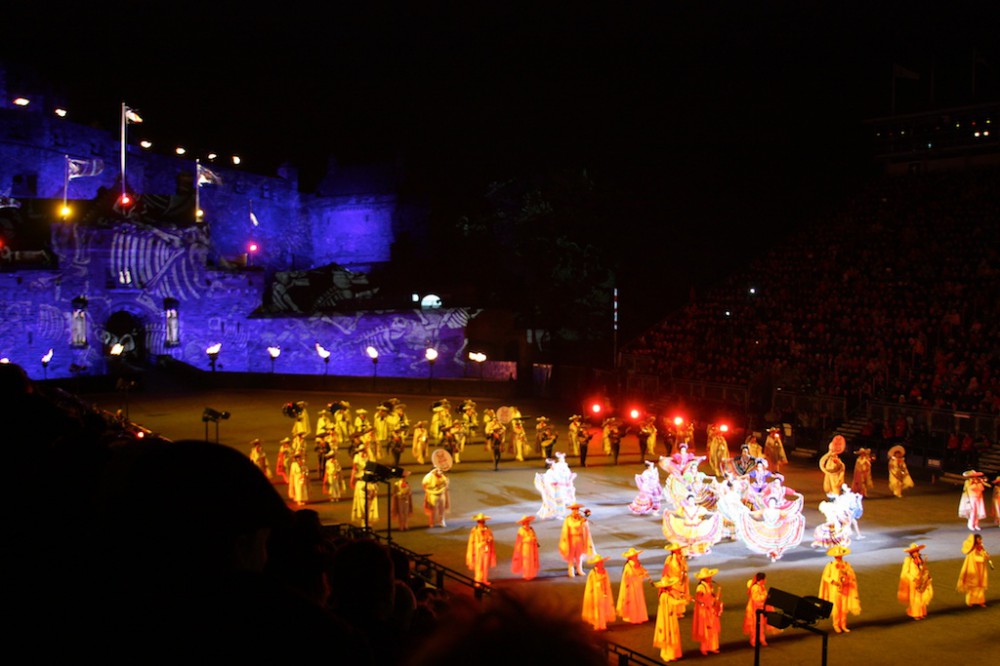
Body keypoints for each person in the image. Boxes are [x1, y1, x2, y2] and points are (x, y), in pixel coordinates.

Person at [819, 545, 860, 633]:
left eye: (839, 555)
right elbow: (825, 577)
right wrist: (833, 581)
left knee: (844, 608)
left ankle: (843, 624)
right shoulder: (830, 565)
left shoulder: (846, 565)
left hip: (845, 589)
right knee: (837, 607)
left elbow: (852, 575)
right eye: (837, 555)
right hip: (835, 589)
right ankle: (836, 624)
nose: (838, 557)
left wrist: (847, 578)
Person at [652, 576, 687, 662]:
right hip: (667, 618)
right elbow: (674, 602)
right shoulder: (665, 596)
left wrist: (681, 595)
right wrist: (684, 600)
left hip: (670, 616)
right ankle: (668, 654)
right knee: (669, 634)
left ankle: (671, 653)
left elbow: (675, 596)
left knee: (671, 633)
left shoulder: (667, 593)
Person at [898, 543, 933, 620]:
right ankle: (915, 613)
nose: (916, 553)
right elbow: (905, 572)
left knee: (921, 596)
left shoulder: (920, 559)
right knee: (915, 597)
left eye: (917, 551)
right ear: (911, 553)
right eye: (915, 552)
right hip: (913, 581)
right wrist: (913, 579)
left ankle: (922, 612)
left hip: (920, 579)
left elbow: (924, 568)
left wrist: (927, 575)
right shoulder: (908, 560)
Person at [692, 567, 722, 655]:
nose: (711, 578)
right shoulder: (701, 587)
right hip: (705, 610)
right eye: (709, 577)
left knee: (713, 628)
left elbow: (711, 596)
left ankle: (712, 647)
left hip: (711, 609)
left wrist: (715, 599)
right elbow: (699, 597)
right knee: (706, 629)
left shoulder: (709, 586)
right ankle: (704, 648)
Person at [559, 503, 595, 577]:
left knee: (579, 555)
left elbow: (585, 526)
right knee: (571, 555)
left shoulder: (581, 517)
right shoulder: (568, 518)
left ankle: (579, 569)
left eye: (577, 510)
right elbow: (572, 525)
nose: (576, 511)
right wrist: (581, 522)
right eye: (574, 510)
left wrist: (585, 519)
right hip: (572, 538)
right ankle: (571, 570)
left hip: (580, 538)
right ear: (572, 510)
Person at [616, 548, 650, 624]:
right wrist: (640, 575)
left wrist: (644, 573)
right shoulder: (628, 566)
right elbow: (628, 576)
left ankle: (639, 616)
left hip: (637, 585)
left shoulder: (637, 563)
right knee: (632, 599)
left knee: (638, 599)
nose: (637, 556)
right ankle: (632, 616)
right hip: (631, 585)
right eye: (635, 555)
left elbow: (642, 571)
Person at [956, 533, 992, 607]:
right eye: (979, 539)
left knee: (980, 584)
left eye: (981, 539)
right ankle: (970, 601)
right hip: (973, 568)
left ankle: (980, 601)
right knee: (973, 584)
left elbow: (983, 553)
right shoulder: (972, 549)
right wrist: (983, 558)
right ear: (976, 540)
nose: (981, 540)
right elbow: (975, 558)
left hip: (980, 568)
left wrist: (986, 555)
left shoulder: (981, 547)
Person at [581, 554, 615, 631]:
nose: (601, 564)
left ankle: (603, 624)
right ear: (596, 564)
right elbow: (590, 584)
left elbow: (607, 581)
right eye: (600, 563)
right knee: (597, 607)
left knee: (603, 607)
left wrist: (605, 589)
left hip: (603, 592)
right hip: (596, 592)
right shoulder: (593, 573)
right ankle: (597, 624)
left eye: (602, 562)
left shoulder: (604, 571)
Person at [466, 513, 496, 585]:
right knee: (478, 565)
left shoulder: (487, 529)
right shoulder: (474, 530)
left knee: (485, 565)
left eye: (482, 521)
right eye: (480, 521)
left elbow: (491, 538)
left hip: (486, 549)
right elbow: (471, 541)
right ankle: (478, 580)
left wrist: (488, 540)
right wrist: (474, 548)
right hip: (478, 549)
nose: (481, 523)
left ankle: (484, 579)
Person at [661, 542, 690, 617]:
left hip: (681, 579)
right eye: (678, 550)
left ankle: (680, 611)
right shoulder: (669, 559)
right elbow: (666, 569)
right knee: (674, 594)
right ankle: (674, 610)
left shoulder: (681, 558)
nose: (680, 551)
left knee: (681, 593)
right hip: (673, 579)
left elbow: (685, 568)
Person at [743, 572, 773, 646]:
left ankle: (762, 639)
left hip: (761, 608)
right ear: (762, 579)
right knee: (755, 626)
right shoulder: (755, 588)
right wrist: (765, 597)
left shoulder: (761, 586)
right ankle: (753, 641)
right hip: (755, 609)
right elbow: (755, 599)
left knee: (761, 625)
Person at [511, 515, 540, 581]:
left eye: (528, 521)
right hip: (525, 546)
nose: (527, 523)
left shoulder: (531, 529)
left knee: (531, 559)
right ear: (523, 523)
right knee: (526, 560)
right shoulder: (521, 530)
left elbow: (534, 536)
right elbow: (519, 540)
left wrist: (534, 539)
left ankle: (531, 574)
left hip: (532, 546)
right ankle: (526, 574)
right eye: (526, 522)